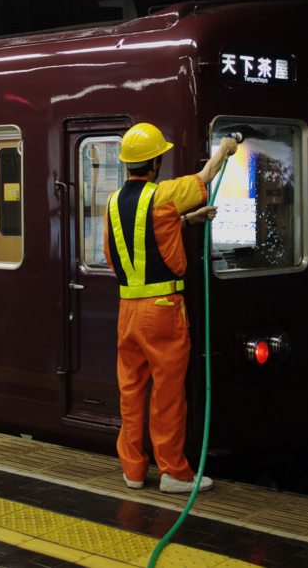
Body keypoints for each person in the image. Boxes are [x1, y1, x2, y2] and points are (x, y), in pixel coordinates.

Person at [104, 123, 236, 494]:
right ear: (156, 161)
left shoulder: (114, 204)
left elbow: (117, 253)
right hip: (163, 310)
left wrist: (185, 222)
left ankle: (132, 471)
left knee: (131, 393)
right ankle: (173, 473)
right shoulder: (161, 194)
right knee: (167, 394)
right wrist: (225, 147)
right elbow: (205, 176)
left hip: (128, 310)